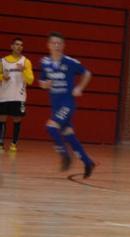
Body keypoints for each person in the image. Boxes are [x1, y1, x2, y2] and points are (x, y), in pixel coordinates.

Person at [39, 32, 95, 178]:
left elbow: (87, 73)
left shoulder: (70, 62)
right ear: (48, 45)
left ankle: (65, 156)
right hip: (56, 105)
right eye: (54, 43)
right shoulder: (45, 62)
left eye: (59, 43)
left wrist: (79, 88)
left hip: (67, 104)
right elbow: (42, 82)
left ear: (63, 46)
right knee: (69, 135)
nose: (56, 46)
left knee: (51, 127)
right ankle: (87, 162)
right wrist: (45, 84)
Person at [0, 38, 34, 153]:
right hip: (4, 95)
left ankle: (14, 144)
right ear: (11, 46)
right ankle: (0, 144)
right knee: (2, 118)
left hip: (19, 96)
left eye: (21, 45)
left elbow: (30, 80)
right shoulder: (3, 61)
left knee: (17, 119)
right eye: (16, 44)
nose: (19, 46)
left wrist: (24, 70)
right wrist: (2, 77)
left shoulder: (26, 61)